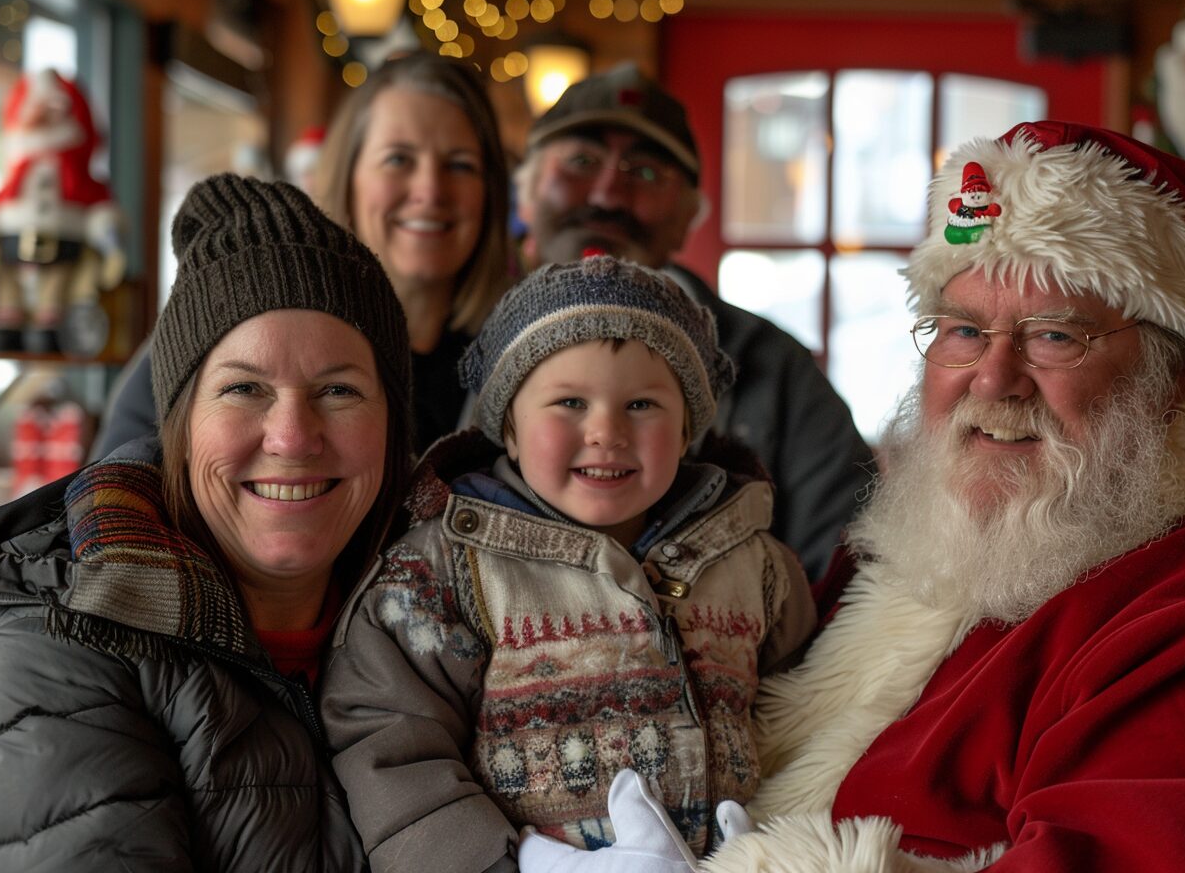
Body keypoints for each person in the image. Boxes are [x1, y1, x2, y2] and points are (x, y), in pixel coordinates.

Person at [676, 121, 1185, 870]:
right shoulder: (910, 553)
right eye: (962, 330)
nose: (991, 379)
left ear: (1169, 375)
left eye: (1053, 336)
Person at [319, 254, 817, 872]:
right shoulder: (440, 574)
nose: (606, 431)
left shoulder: (759, 568)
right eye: (570, 402)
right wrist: (521, 865)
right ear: (508, 427)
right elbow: (392, 744)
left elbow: (810, 722)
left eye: (642, 405)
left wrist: (789, 835)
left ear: (689, 425)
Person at [0, 173, 412, 870]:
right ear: (179, 429)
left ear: (395, 431)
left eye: (339, 389)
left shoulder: (449, 619)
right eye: (245, 389)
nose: (293, 437)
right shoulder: (57, 646)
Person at [513, 63, 872, 584]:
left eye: (646, 173)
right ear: (523, 192)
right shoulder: (468, 342)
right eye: (581, 161)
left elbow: (847, 579)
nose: (608, 195)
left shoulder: (771, 368)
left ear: (687, 218)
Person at [90, 52, 512, 458]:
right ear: (347, 177)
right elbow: (110, 494)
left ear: (491, 195)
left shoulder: (517, 354)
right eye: (398, 159)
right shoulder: (236, 311)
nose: (430, 191)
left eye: (460, 165)